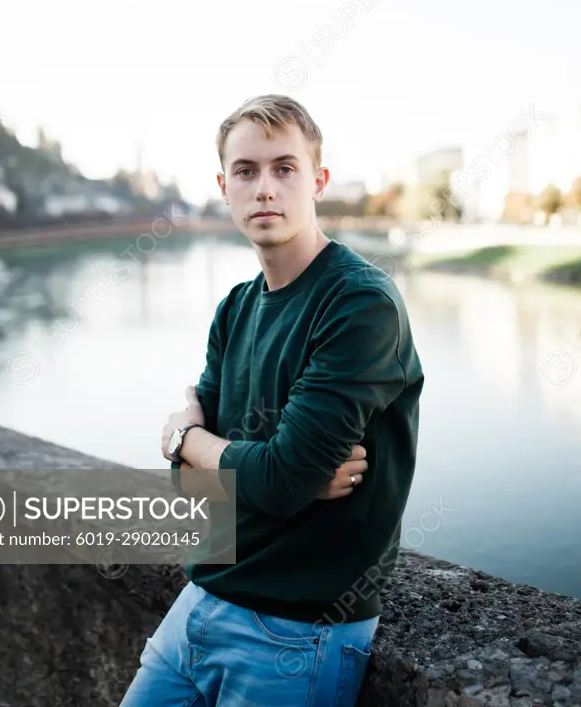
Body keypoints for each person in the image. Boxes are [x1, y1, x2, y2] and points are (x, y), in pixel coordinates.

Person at [119, 94, 424, 707]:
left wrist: (188, 440)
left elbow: (272, 479)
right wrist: (272, 475)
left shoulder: (358, 304)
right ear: (224, 188)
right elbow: (191, 492)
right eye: (246, 171)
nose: (265, 189)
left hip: (296, 633)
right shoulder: (235, 308)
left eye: (284, 169)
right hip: (200, 602)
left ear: (318, 181)